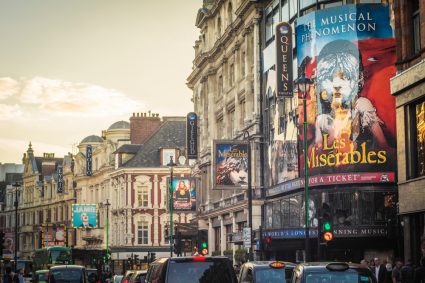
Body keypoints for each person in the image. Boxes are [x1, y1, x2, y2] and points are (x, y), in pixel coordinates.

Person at [314, 39, 390, 153]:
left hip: (366, 166)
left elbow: (383, 145)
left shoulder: (361, 105)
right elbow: (318, 151)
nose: (337, 85)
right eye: (329, 78)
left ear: (358, 79)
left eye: (345, 77)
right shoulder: (323, 119)